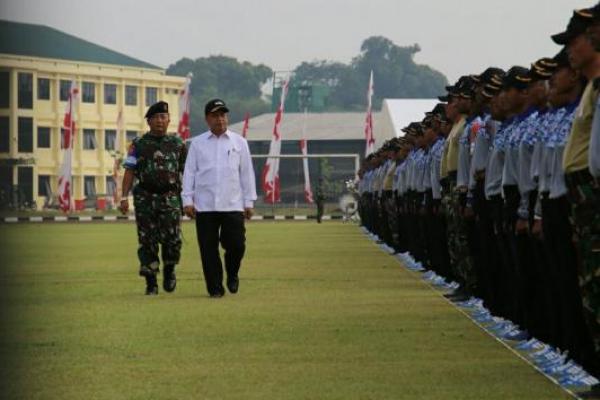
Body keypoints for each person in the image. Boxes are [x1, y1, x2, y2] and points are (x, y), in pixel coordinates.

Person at [182, 99, 257, 298]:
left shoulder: (239, 142)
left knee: (237, 245)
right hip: (205, 205)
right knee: (208, 250)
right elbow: (189, 173)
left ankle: (232, 273)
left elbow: (246, 174)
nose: (220, 119)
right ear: (207, 119)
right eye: (215, 115)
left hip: (232, 204)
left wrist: (249, 202)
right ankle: (215, 289)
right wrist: (187, 201)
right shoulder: (197, 144)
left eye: (223, 115)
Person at [119, 101, 187, 295]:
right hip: (145, 199)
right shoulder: (138, 144)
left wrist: (191, 199)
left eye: (163, 117)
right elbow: (129, 171)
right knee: (147, 240)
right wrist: (124, 197)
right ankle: (151, 282)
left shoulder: (178, 144)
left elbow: (188, 173)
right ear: (148, 121)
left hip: (171, 197)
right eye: (156, 118)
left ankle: (169, 269)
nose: (160, 121)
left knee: (172, 238)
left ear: (169, 120)